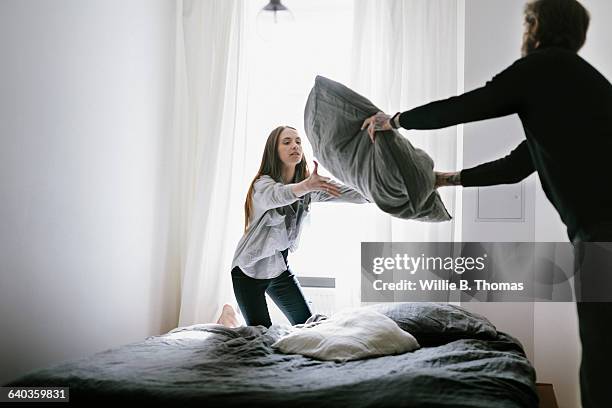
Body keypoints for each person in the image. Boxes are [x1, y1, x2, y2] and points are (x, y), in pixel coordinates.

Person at [361, 0, 611, 406]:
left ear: (535, 25)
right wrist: (449, 179)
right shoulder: (578, 86)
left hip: (603, 234)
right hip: (600, 232)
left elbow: (469, 104)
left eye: (526, 23)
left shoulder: (544, 67)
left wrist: (397, 119)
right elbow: (517, 165)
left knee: (602, 364)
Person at [226, 125, 368, 329]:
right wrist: (307, 186)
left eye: (298, 142)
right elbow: (279, 194)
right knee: (260, 335)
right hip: (248, 271)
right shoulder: (262, 185)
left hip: (279, 269)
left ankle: (231, 318)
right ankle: (229, 318)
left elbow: (347, 192)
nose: (295, 146)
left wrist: (382, 194)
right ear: (273, 151)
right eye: (287, 142)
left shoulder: (308, 187)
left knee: (308, 326)